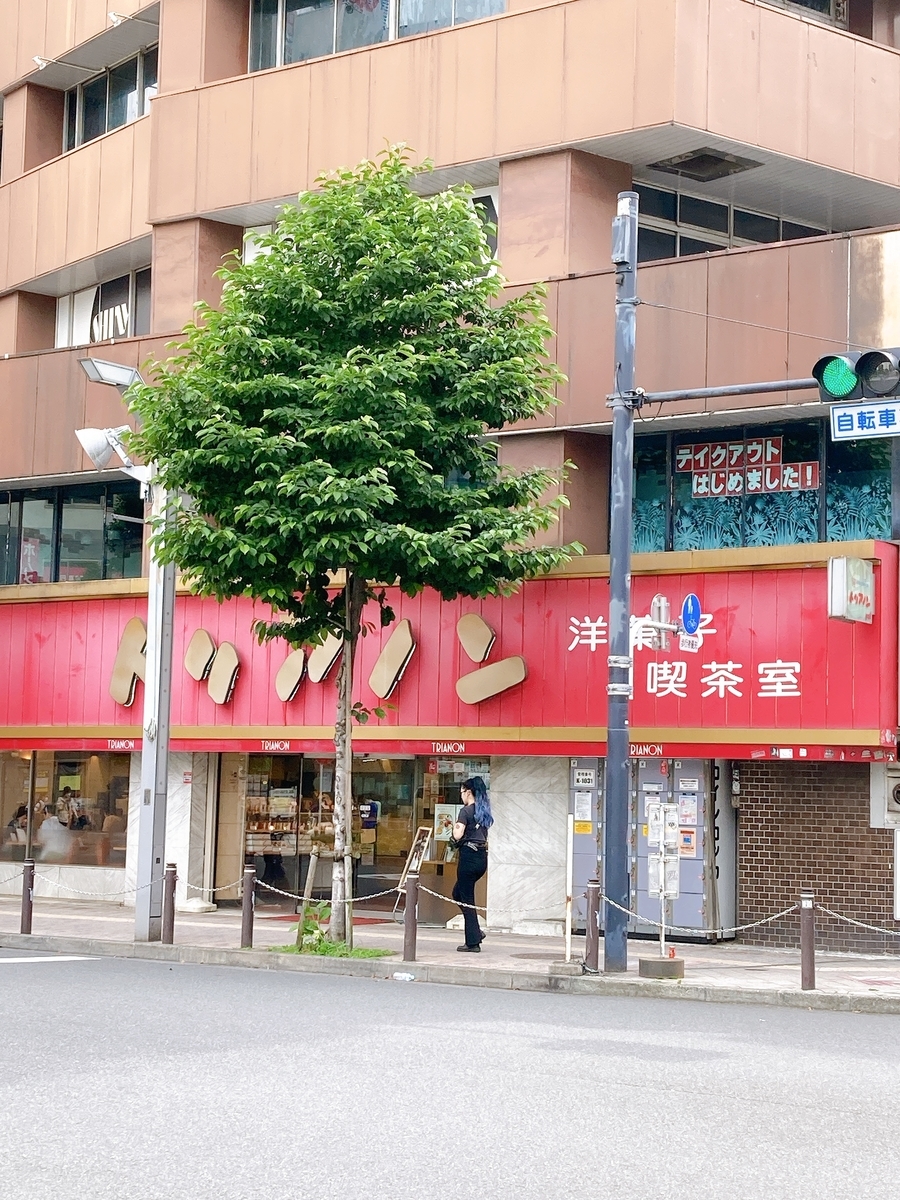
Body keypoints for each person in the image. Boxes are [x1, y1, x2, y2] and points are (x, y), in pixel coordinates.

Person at [451, 776, 492, 952]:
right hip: (481, 858)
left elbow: (458, 835)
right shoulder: (484, 812)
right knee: (457, 893)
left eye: (462, 792)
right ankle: (476, 931)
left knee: (467, 899)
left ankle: (473, 942)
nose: (461, 796)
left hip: (468, 857)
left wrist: (453, 830)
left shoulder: (465, 811)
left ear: (468, 792)